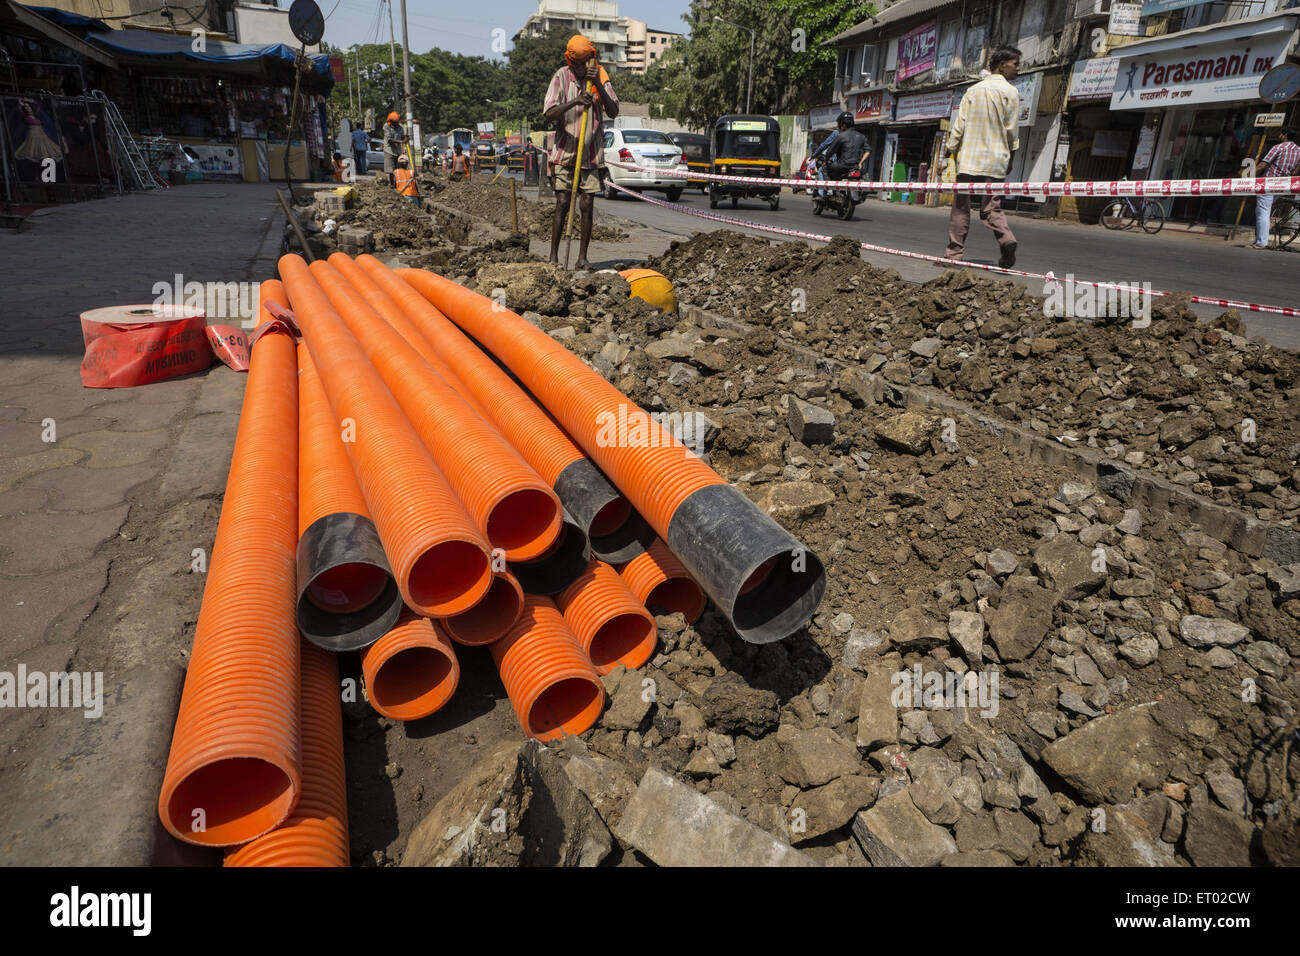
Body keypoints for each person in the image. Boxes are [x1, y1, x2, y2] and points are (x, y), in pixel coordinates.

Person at [544, 33, 620, 269]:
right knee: (563, 202)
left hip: (591, 155)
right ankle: (554, 258)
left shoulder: (601, 76)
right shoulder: (561, 76)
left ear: (591, 60)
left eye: (584, 63)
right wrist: (576, 101)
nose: (579, 68)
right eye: (575, 64)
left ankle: (582, 258)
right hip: (565, 153)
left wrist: (597, 83)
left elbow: (613, 111)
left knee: (587, 204)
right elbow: (549, 113)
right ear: (570, 62)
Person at [944, 46, 1022, 268]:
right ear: (1001, 65)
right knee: (991, 207)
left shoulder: (973, 91)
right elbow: (1012, 131)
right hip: (996, 159)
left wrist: (950, 150)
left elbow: (959, 125)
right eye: (1015, 64)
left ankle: (954, 255)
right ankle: (1007, 239)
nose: (1017, 69)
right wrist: (1011, 158)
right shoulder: (1011, 92)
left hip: (969, 160)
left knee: (961, 207)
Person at [1250, 128, 1299, 250]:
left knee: (1263, 211)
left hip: (1269, 183)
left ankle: (1261, 242)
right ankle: (1261, 238)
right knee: (1264, 209)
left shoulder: (1279, 147)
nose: (1280, 136)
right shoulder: (1299, 150)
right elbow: (1296, 169)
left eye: (1281, 134)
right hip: (1283, 184)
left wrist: (1249, 176)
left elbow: (1263, 164)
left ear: (1285, 135)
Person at [823, 111, 870, 183]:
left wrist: (826, 160)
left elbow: (830, 152)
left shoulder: (841, 136)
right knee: (863, 173)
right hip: (855, 166)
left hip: (842, 166)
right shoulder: (861, 136)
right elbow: (868, 151)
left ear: (843, 124)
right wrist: (860, 162)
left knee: (825, 168)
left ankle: (831, 188)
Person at [382, 111, 406, 186]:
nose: (397, 124)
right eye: (395, 122)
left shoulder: (400, 128)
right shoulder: (386, 126)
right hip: (389, 150)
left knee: (397, 168)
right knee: (390, 169)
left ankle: (398, 183)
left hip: (397, 151)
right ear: (391, 122)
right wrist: (401, 141)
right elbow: (390, 139)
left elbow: (402, 136)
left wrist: (405, 138)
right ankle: (392, 184)